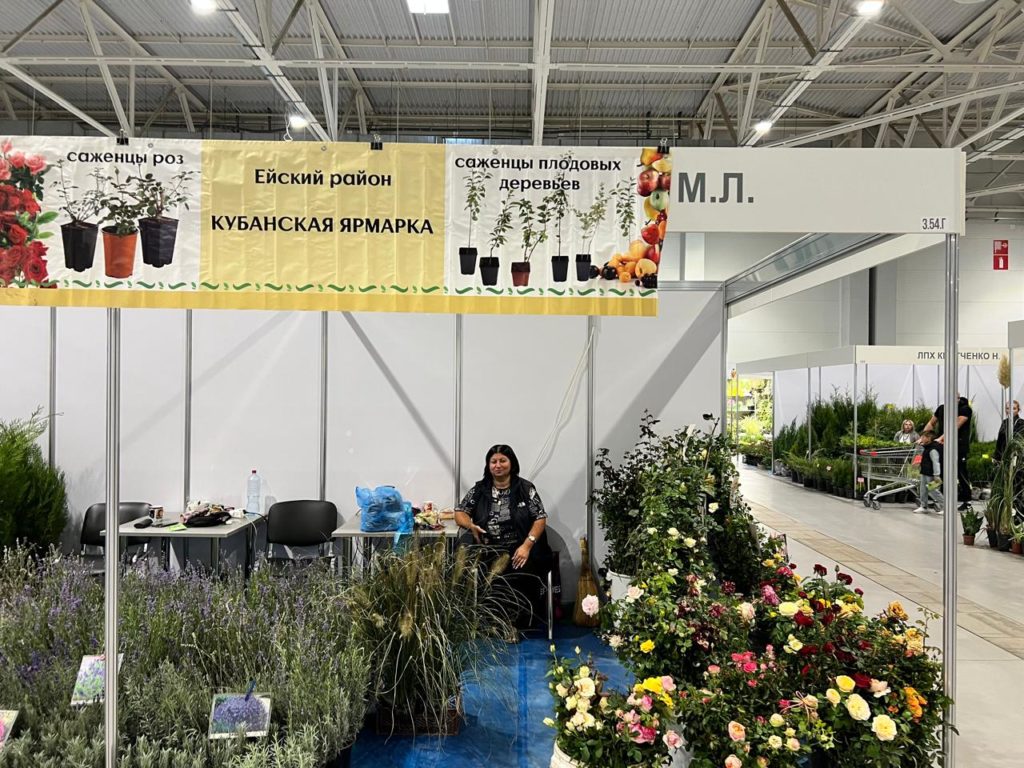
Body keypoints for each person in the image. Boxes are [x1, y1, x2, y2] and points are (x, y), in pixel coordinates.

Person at [454, 444, 552, 631]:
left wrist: (527, 546)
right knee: (487, 570)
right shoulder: (479, 489)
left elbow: (540, 518)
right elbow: (460, 512)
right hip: (489, 549)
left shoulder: (525, 488)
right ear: (488, 465)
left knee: (518, 571)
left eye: (502, 461)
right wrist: (471, 526)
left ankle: (514, 622)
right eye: (493, 462)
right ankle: (496, 621)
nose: (498, 465)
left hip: (521, 549)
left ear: (512, 463)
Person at [922, 393, 973, 510]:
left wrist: (940, 438)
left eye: (955, 398)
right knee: (940, 473)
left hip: (959, 446)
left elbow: (955, 426)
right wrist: (923, 436)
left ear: (958, 399)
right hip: (943, 447)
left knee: (960, 472)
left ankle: (967, 501)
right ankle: (938, 498)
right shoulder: (941, 408)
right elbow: (931, 423)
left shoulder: (965, 409)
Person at [913, 430, 944, 514]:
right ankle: (923, 506)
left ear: (929, 438)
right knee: (923, 490)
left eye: (923, 437)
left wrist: (936, 475)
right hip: (925, 472)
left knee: (933, 490)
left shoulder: (933, 449)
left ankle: (945, 507)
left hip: (931, 474)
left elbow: (936, 462)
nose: (921, 438)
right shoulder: (927, 447)